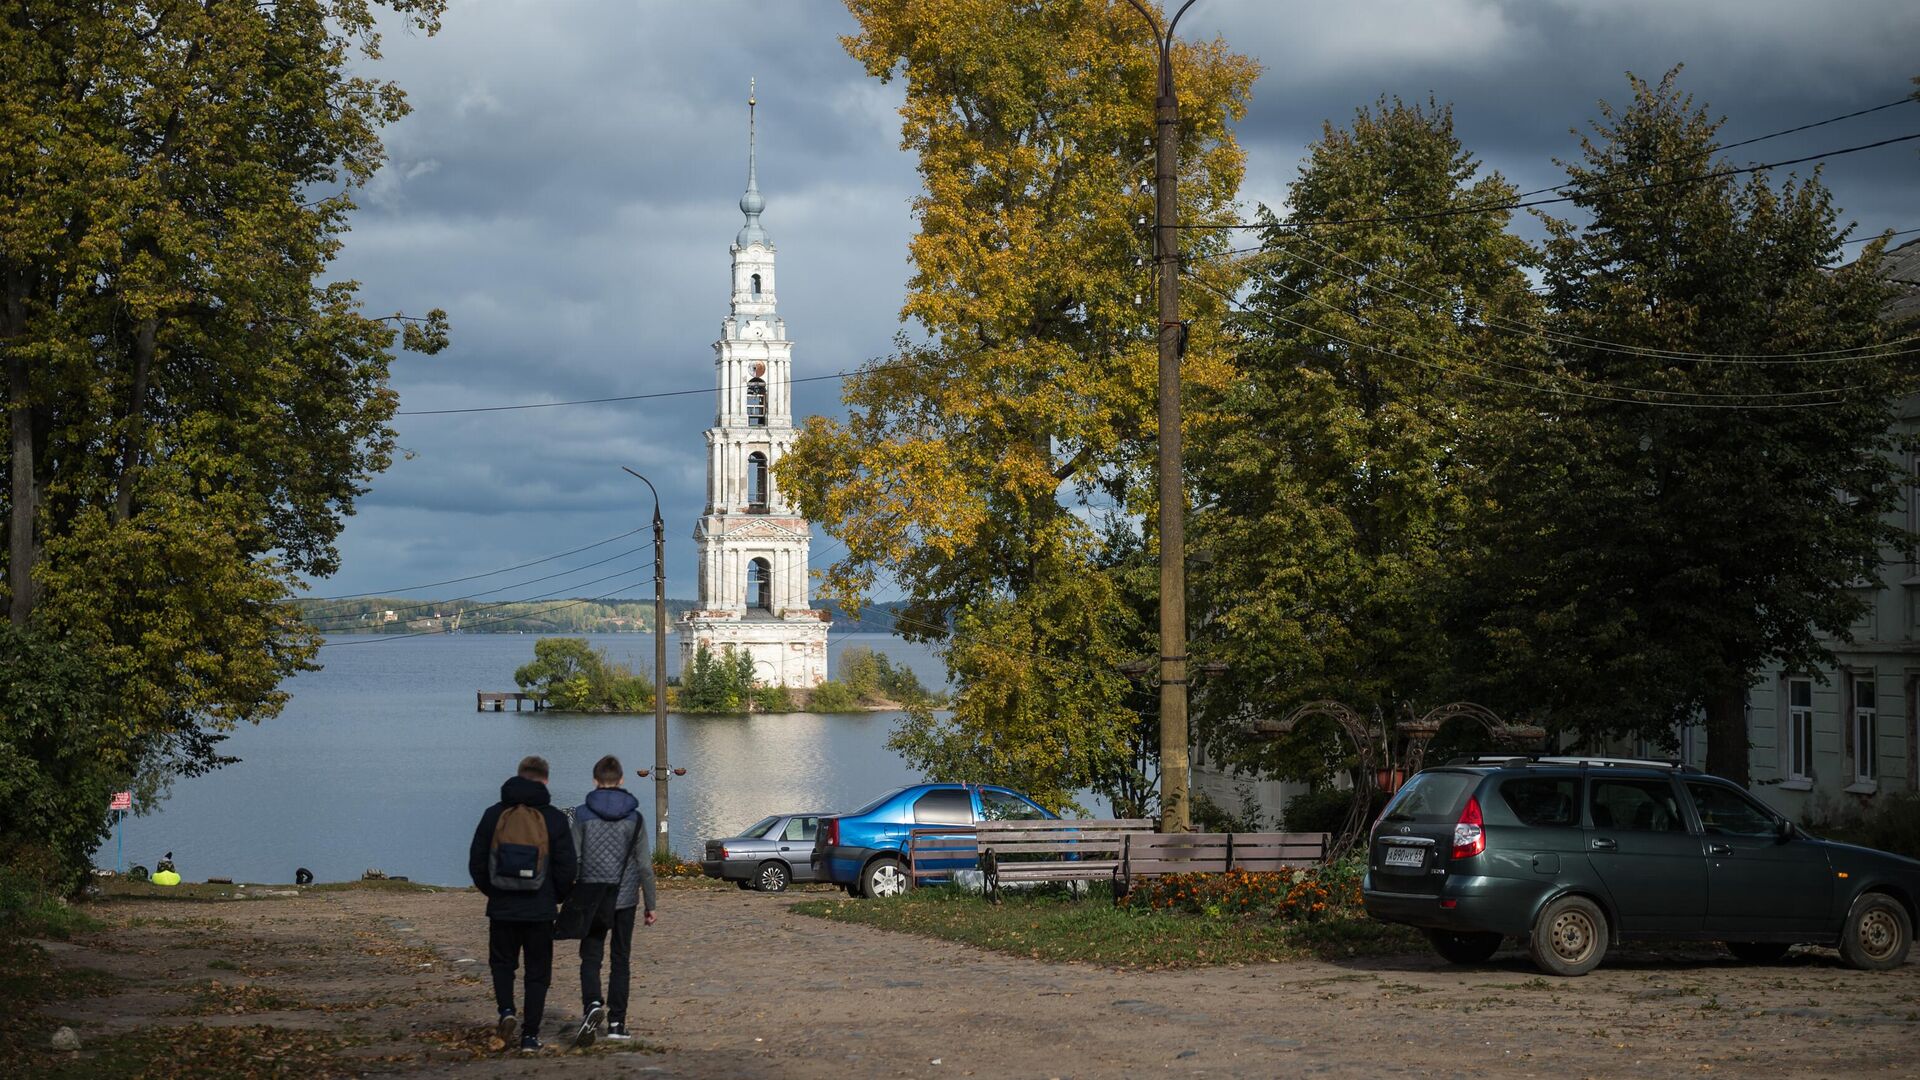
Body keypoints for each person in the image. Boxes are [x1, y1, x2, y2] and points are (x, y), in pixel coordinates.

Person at [469, 755, 577, 1053]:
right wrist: (554, 897)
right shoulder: (554, 818)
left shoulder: (494, 814)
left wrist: (494, 892)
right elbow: (568, 867)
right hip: (540, 911)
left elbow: (477, 862)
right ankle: (530, 1036)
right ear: (546, 780)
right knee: (537, 973)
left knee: (502, 964)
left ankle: (506, 1011)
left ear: (518, 777)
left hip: (502, 907)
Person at [570, 754, 657, 1046]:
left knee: (591, 955)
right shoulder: (635, 817)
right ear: (621, 781)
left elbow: (575, 859)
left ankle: (592, 1004)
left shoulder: (582, 815)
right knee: (621, 958)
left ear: (596, 781)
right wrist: (651, 904)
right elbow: (645, 864)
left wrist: (573, 891)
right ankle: (618, 1023)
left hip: (592, 896)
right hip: (625, 897)